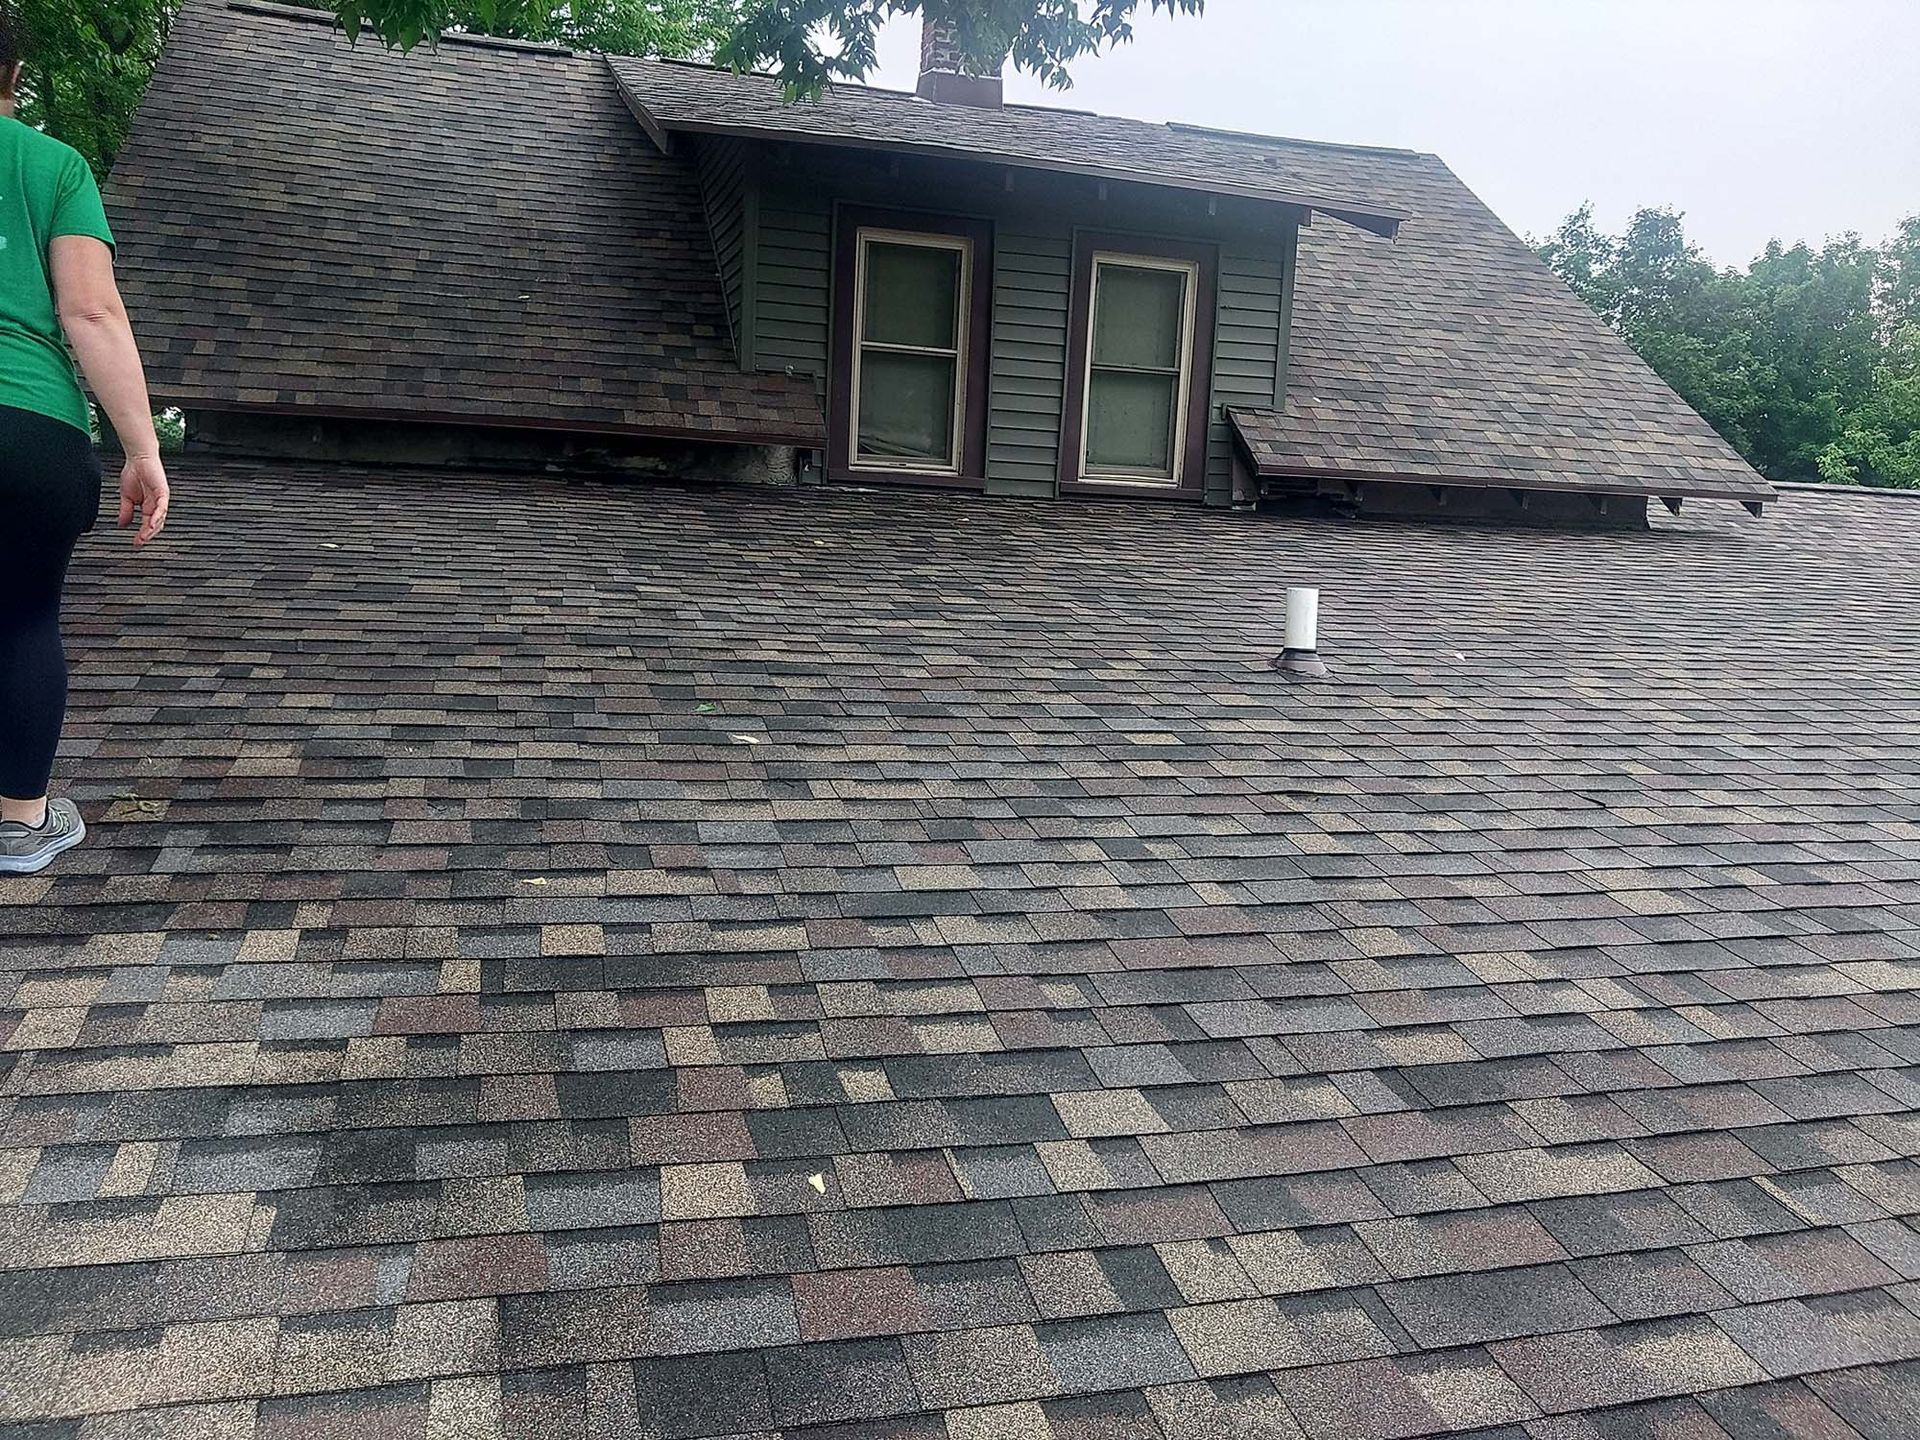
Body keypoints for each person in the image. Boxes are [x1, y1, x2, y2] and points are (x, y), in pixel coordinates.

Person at [1, 2, 169, 875]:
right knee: (22, 617)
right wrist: (141, 447)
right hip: (29, 426)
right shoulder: (51, 165)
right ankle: (20, 824)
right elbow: (91, 310)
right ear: (12, 78)